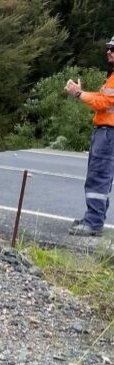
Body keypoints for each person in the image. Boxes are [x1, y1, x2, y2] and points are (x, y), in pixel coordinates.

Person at [64, 38, 114, 237]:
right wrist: (82, 93)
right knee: (101, 178)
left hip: (108, 133)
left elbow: (103, 102)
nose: (109, 52)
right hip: (105, 132)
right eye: (109, 49)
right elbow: (101, 101)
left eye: (113, 49)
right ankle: (94, 219)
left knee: (98, 178)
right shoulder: (111, 78)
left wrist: (78, 93)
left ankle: (93, 223)